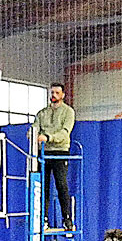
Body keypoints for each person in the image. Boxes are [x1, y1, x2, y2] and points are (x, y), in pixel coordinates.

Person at [31, 83, 76, 231]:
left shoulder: (68, 112)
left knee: (61, 185)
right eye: (52, 92)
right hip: (43, 153)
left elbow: (64, 133)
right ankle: (43, 219)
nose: (54, 95)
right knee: (42, 187)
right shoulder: (42, 113)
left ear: (63, 95)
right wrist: (32, 134)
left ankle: (67, 219)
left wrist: (48, 137)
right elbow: (35, 128)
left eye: (57, 93)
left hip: (60, 152)